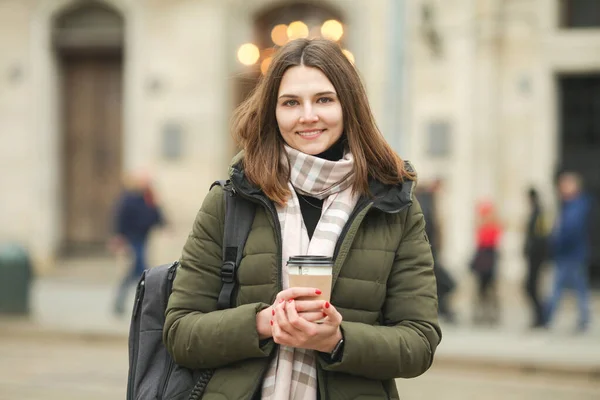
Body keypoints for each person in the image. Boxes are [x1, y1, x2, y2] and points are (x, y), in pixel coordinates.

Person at [163, 38, 441, 400]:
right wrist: (262, 323)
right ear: (273, 112)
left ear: (349, 105)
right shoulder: (232, 197)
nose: (307, 115)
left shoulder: (392, 204)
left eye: (324, 99)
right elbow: (179, 332)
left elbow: (419, 341)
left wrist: (338, 340)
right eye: (291, 102)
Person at [110, 170, 164, 315]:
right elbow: (121, 219)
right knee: (143, 273)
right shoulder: (129, 199)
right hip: (132, 239)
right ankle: (150, 304)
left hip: (143, 239)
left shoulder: (148, 199)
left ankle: (121, 304)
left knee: (133, 274)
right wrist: (119, 236)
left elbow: (156, 215)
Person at [543, 172, 591, 333]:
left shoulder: (576, 205)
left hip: (571, 254)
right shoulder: (567, 205)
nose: (561, 188)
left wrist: (556, 241)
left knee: (566, 288)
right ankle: (581, 319)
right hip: (568, 254)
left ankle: (549, 318)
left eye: (565, 185)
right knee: (573, 288)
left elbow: (571, 230)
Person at [417, 179, 457, 323]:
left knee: (442, 284)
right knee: (448, 283)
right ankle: (440, 310)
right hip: (429, 254)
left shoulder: (428, 202)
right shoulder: (426, 202)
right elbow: (428, 230)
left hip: (432, 254)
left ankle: (441, 310)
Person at [470, 200, 502, 326]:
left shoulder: (492, 227)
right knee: (481, 288)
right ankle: (482, 312)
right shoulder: (483, 227)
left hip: (489, 258)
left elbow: (490, 243)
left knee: (490, 288)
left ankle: (491, 312)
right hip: (484, 259)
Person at [523, 187, 548, 328]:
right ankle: (539, 316)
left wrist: (533, 251)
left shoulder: (539, 214)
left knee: (532, 287)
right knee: (530, 287)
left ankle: (541, 317)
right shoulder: (535, 213)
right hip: (533, 257)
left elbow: (541, 237)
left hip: (536, 258)